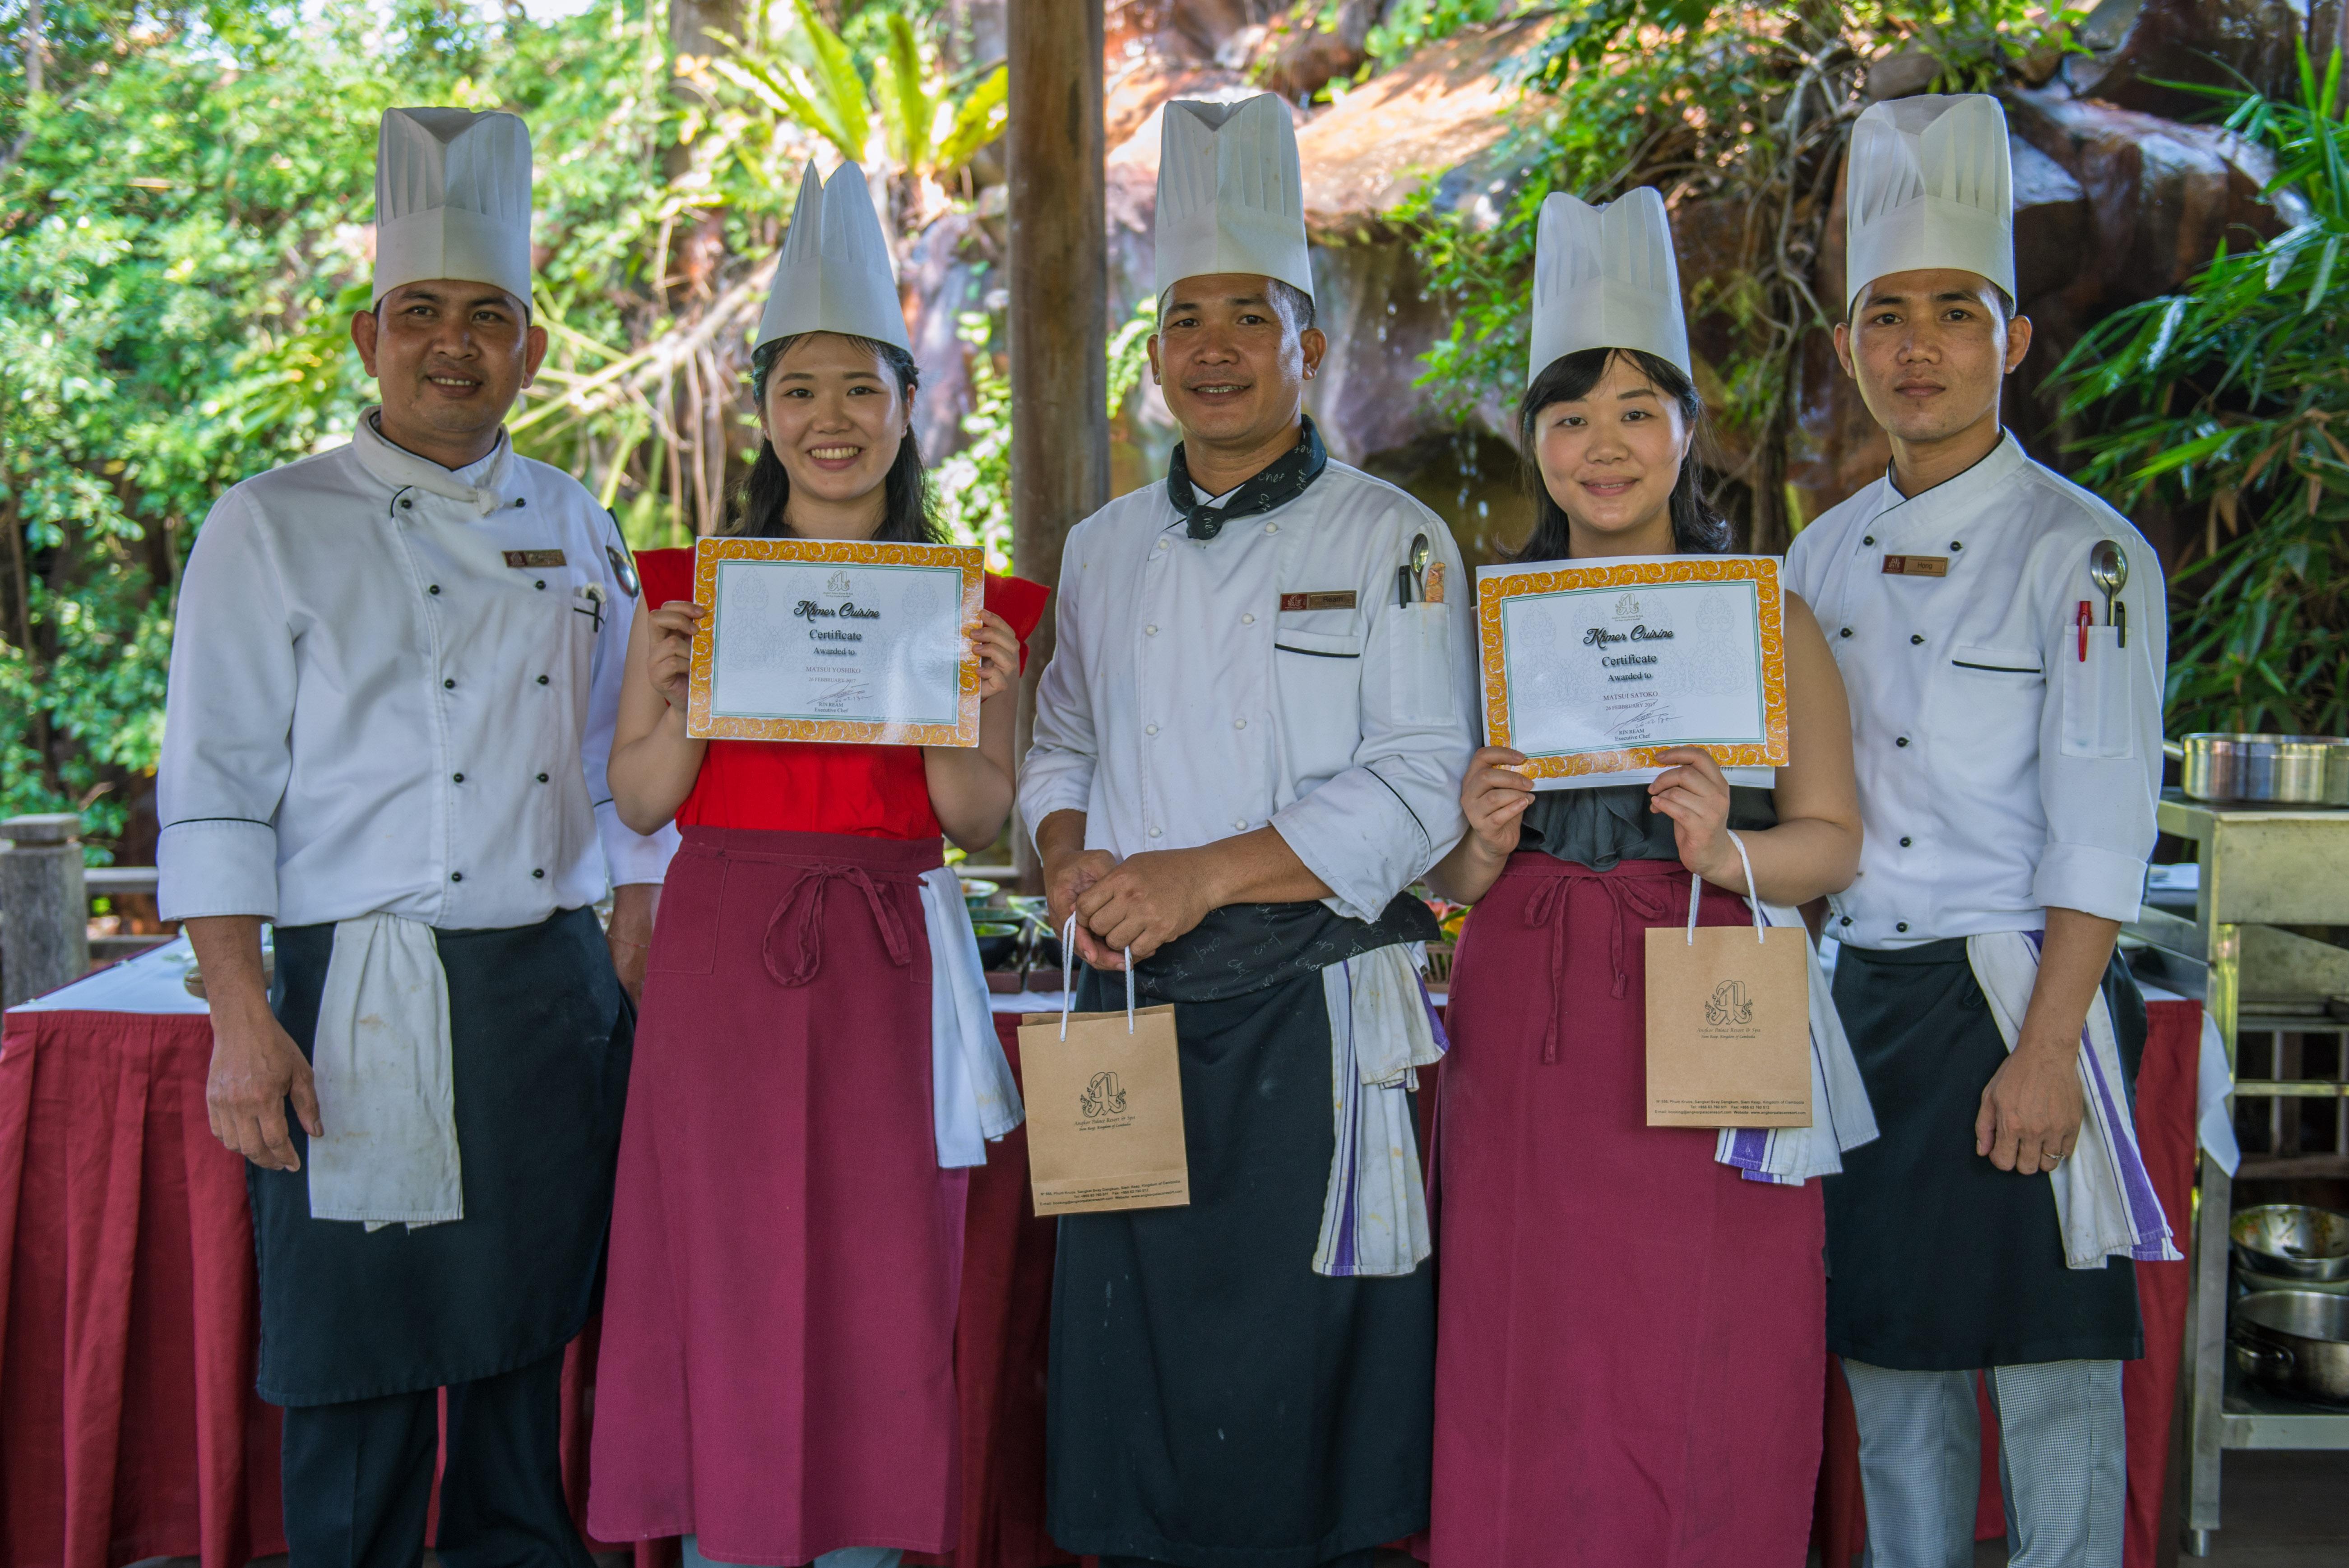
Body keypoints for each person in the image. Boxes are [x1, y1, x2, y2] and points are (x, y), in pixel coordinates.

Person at [158, 107, 675, 1567]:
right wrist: (241, 1016)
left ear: (534, 345)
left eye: (489, 316)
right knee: (362, 1362)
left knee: (522, 1349)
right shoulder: (272, 523)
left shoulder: (578, 521)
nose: (456, 343)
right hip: (358, 985)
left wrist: (635, 920)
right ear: (368, 334)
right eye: (423, 314)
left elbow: (616, 758)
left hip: (540, 989)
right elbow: (212, 781)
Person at [1022, 93, 1478, 1568]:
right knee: (1135, 1365)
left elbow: (1421, 787)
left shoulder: (1394, 540)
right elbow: (1061, 742)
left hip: (1315, 1008)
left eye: (1251, 316)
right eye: (1185, 319)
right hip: (1131, 1005)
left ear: (1311, 349)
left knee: (1309, 1377)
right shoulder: (1099, 547)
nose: (1213, 346)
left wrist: (1196, 875)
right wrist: (1072, 859)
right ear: (1156, 355)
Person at [584, 161, 1046, 1568]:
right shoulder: (686, 591)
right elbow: (645, 797)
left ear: (909, 407)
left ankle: (856, 1541)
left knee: (882, 1266)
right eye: (801, 391)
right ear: (763, 409)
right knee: (725, 1261)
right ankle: (731, 1536)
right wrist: (663, 684)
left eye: (862, 390)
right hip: (724, 949)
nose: (831, 422)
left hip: (892, 954)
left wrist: (985, 694)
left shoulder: (974, 604)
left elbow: (975, 819)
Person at [1419, 187, 1867, 1568]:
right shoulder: (1487, 626)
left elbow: (1832, 837)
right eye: (1569, 416)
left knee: (1713, 1331)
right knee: (1527, 1331)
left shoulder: (1768, 610)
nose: (1601, 447)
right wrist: (1483, 842)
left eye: (1633, 411)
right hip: (1528, 1011)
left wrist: (1727, 848)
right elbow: (1437, 870)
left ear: (1686, 425)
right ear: (1532, 444)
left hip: (1711, 988)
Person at [1787, 94, 2174, 1568]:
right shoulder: (1816, 558)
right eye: (1888, 315)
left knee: (2048, 1384)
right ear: (1850, 349)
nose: (1920, 346)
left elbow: (2099, 826)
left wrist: (2050, 1048)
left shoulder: (2087, 554)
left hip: (2020, 993)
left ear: (2011, 339)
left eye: (1958, 312)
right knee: (1894, 1381)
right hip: (1864, 1004)